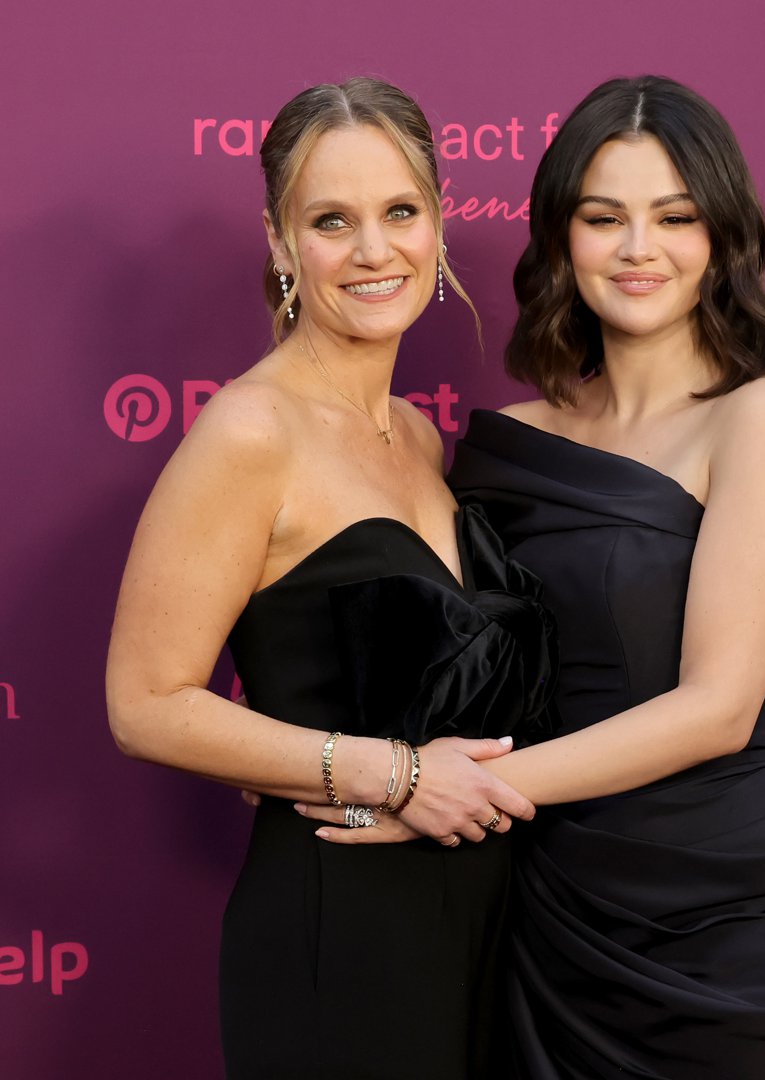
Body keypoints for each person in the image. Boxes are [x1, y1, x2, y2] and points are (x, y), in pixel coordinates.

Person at [315, 76, 765, 1078]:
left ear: (723, 235)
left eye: (675, 217)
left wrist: (433, 796)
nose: (637, 249)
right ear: (561, 236)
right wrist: (311, 744)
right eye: (604, 216)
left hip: (740, 928)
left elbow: (718, 710)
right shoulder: (503, 448)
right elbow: (456, 653)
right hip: (548, 907)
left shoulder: (761, 416)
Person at [105, 78, 555, 1080]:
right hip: (341, 926)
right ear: (279, 241)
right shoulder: (249, 432)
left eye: (400, 212)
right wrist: (390, 774)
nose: (372, 250)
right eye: (331, 221)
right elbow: (144, 705)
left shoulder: (420, 438)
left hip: (482, 921)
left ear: (439, 223)